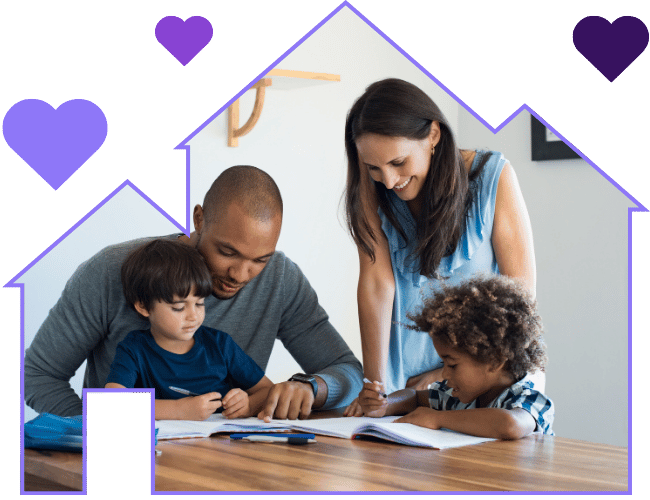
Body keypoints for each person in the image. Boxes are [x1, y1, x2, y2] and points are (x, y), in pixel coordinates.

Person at [25, 166, 363, 419]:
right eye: (227, 252)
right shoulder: (111, 271)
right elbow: (37, 375)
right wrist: (94, 433)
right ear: (199, 219)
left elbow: (347, 371)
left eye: (259, 259)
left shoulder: (280, 278)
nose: (240, 274)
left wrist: (312, 388)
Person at [342, 79, 536, 415]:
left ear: (433, 135)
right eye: (374, 168)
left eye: (398, 163)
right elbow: (377, 284)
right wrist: (375, 386)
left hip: (482, 384)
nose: (388, 180)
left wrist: (444, 374)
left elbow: (519, 300)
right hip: (401, 389)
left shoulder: (494, 176)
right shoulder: (372, 191)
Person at [358, 275, 554, 439]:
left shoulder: (529, 397)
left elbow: (510, 425)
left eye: (452, 365)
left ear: (494, 361)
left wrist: (437, 418)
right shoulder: (458, 396)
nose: (444, 374)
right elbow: (414, 397)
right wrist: (385, 405)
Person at [104, 239, 274, 420]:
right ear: (144, 307)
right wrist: (179, 410)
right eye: (178, 307)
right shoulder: (134, 349)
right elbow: (112, 404)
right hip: (164, 446)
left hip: (220, 444)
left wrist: (248, 404)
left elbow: (268, 390)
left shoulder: (220, 345)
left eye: (200, 304)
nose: (193, 316)